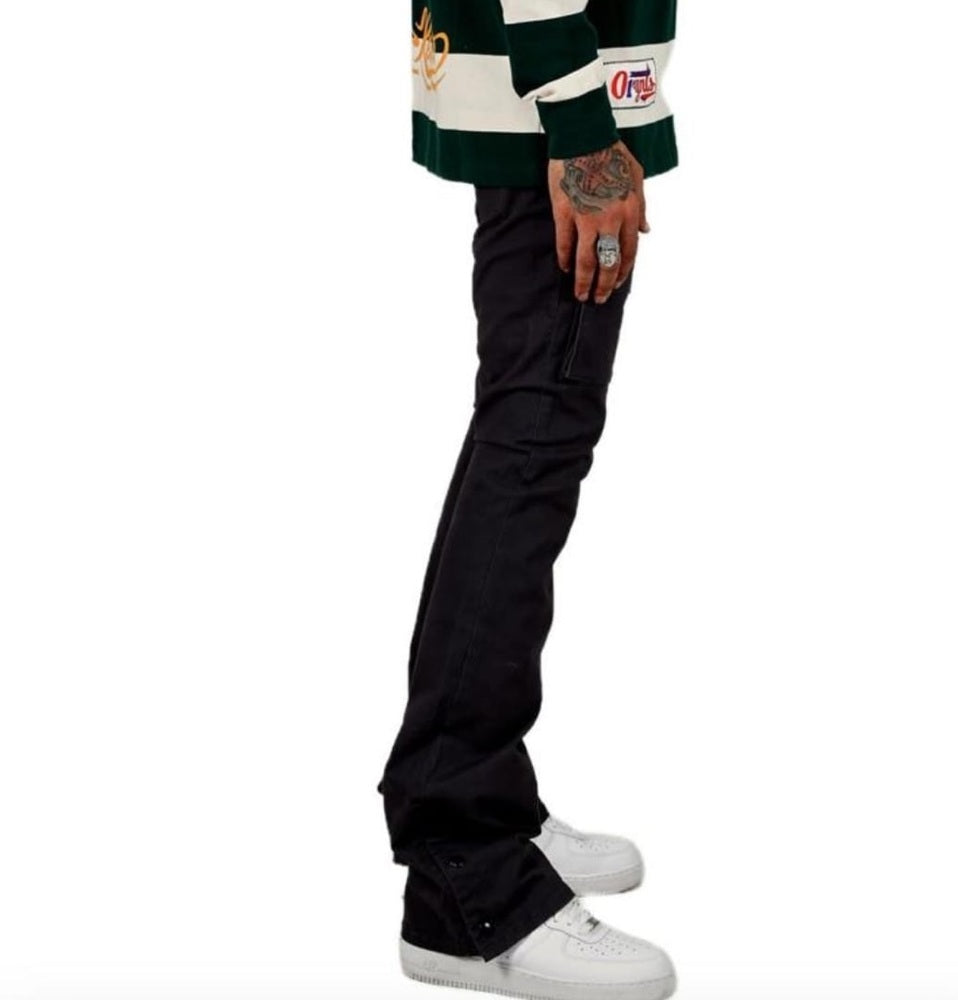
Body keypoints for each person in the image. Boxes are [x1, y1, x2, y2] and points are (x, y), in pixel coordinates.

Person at [378, 2, 679, 997]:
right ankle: (463, 863)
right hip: (554, 106)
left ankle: (475, 792)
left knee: (525, 432)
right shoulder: (568, 113)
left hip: (556, 92)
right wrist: (579, 118)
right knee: (532, 437)